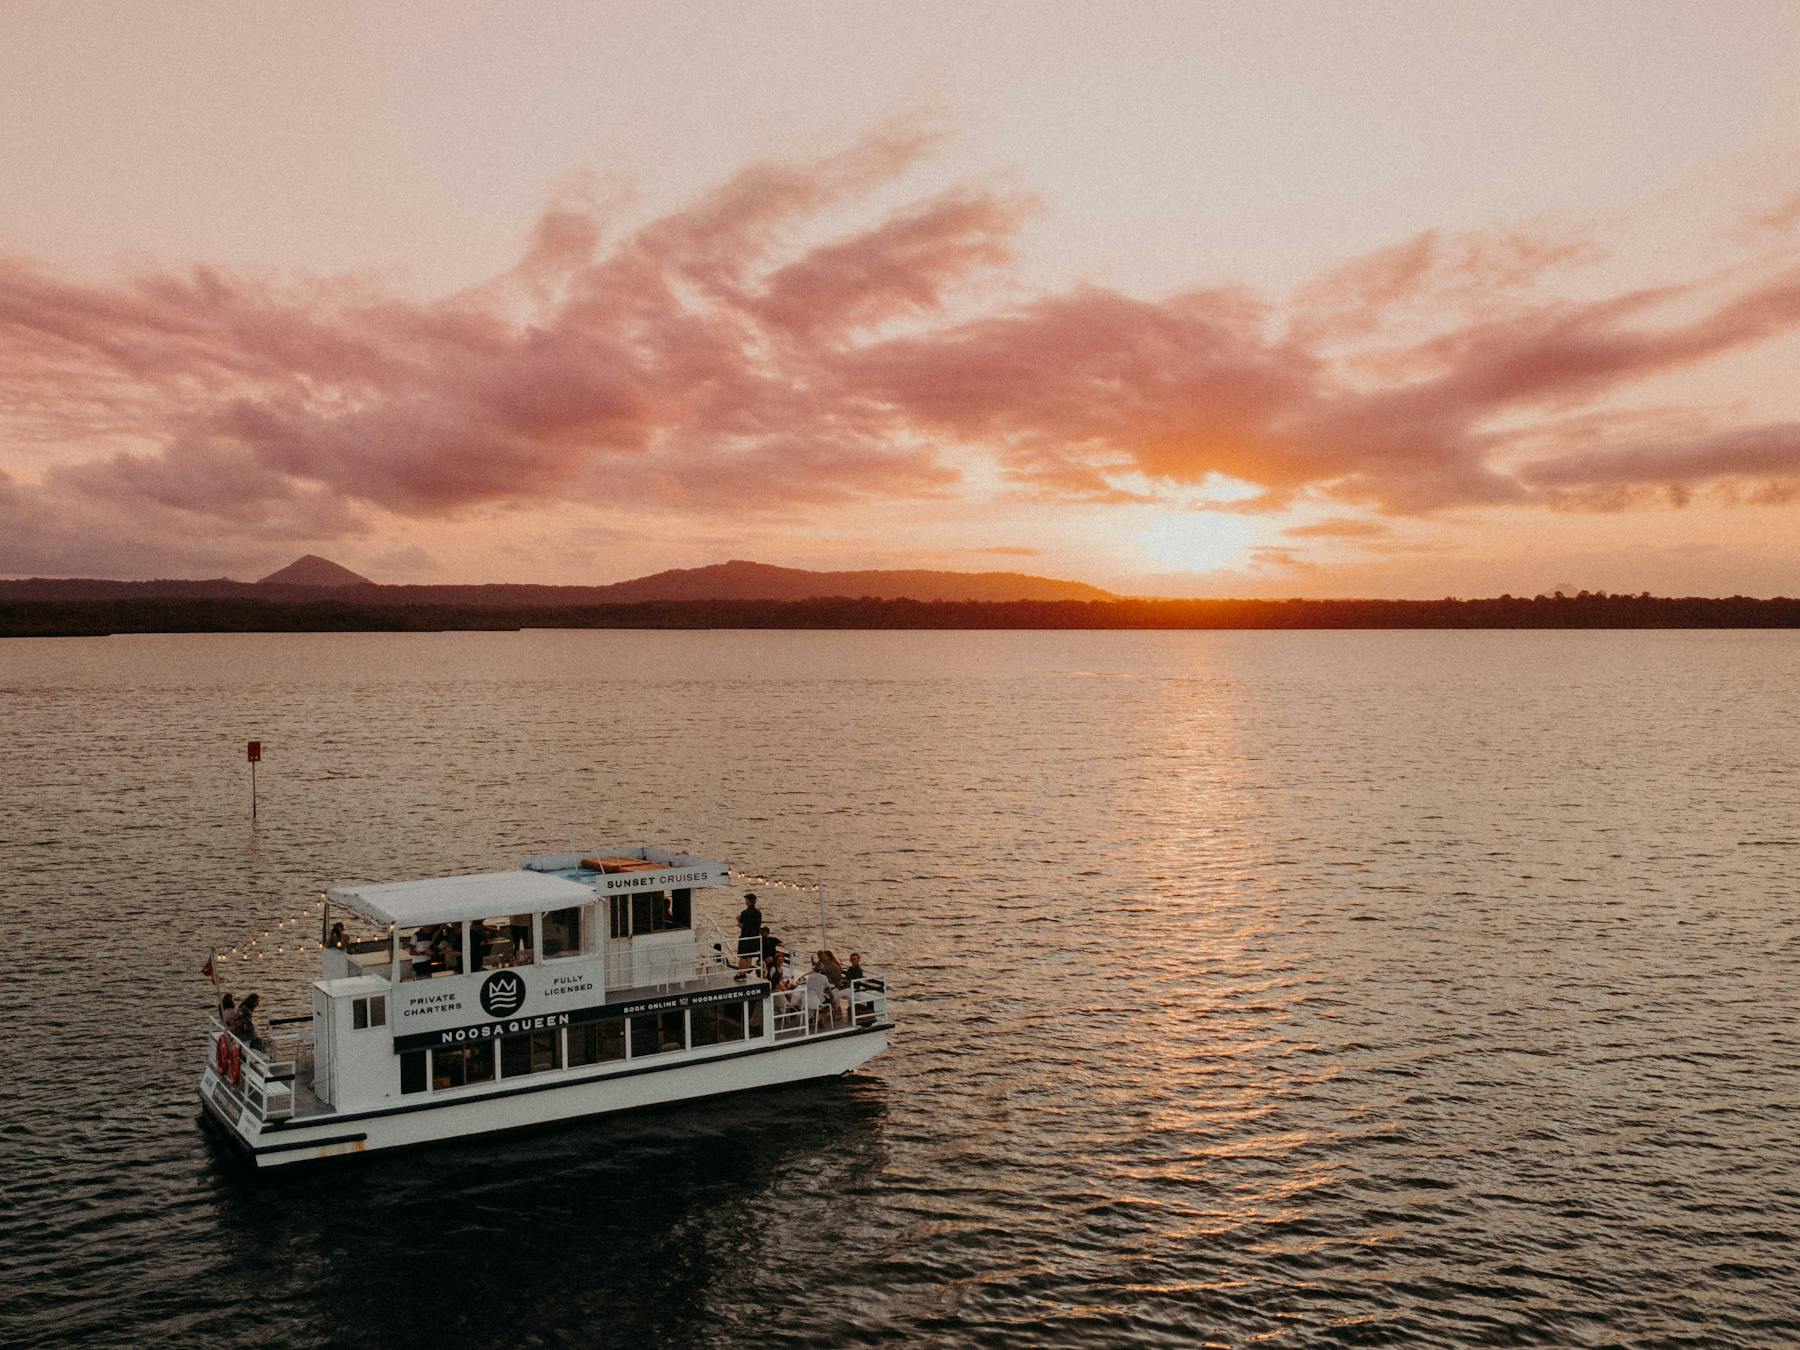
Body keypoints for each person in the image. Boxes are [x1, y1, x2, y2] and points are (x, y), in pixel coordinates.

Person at [736, 893, 762, 970]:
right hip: (754, 938)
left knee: (743, 957)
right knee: (750, 956)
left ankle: (741, 973)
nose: (745, 901)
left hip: (745, 937)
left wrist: (738, 919)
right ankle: (746, 973)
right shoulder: (758, 913)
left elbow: (741, 925)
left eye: (746, 899)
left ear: (749, 901)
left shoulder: (745, 913)